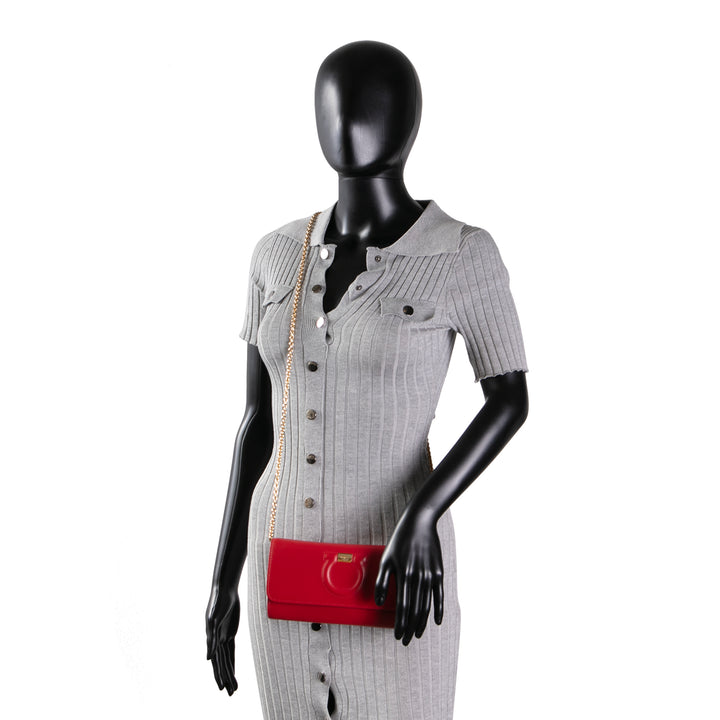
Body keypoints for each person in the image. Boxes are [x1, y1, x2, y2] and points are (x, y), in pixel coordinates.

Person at [206, 40, 529, 720]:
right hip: (279, 570)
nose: (348, 122)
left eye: (369, 106)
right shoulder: (275, 256)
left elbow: (509, 399)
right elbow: (257, 423)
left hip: (397, 569)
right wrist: (222, 578)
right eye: (333, 105)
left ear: (408, 120)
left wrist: (425, 511)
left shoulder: (461, 255)